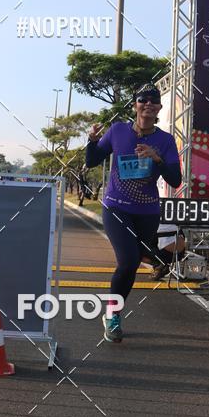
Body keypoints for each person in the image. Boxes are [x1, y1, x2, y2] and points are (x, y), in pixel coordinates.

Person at [85, 85, 181, 342]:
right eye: (142, 99)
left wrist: (157, 159)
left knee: (131, 266)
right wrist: (92, 141)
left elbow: (175, 180)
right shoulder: (118, 130)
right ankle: (113, 315)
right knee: (127, 261)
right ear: (135, 105)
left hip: (147, 212)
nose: (148, 104)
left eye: (153, 101)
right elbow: (92, 160)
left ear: (159, 108)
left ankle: (114, 310)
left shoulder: (165, 141)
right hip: (116, 207)